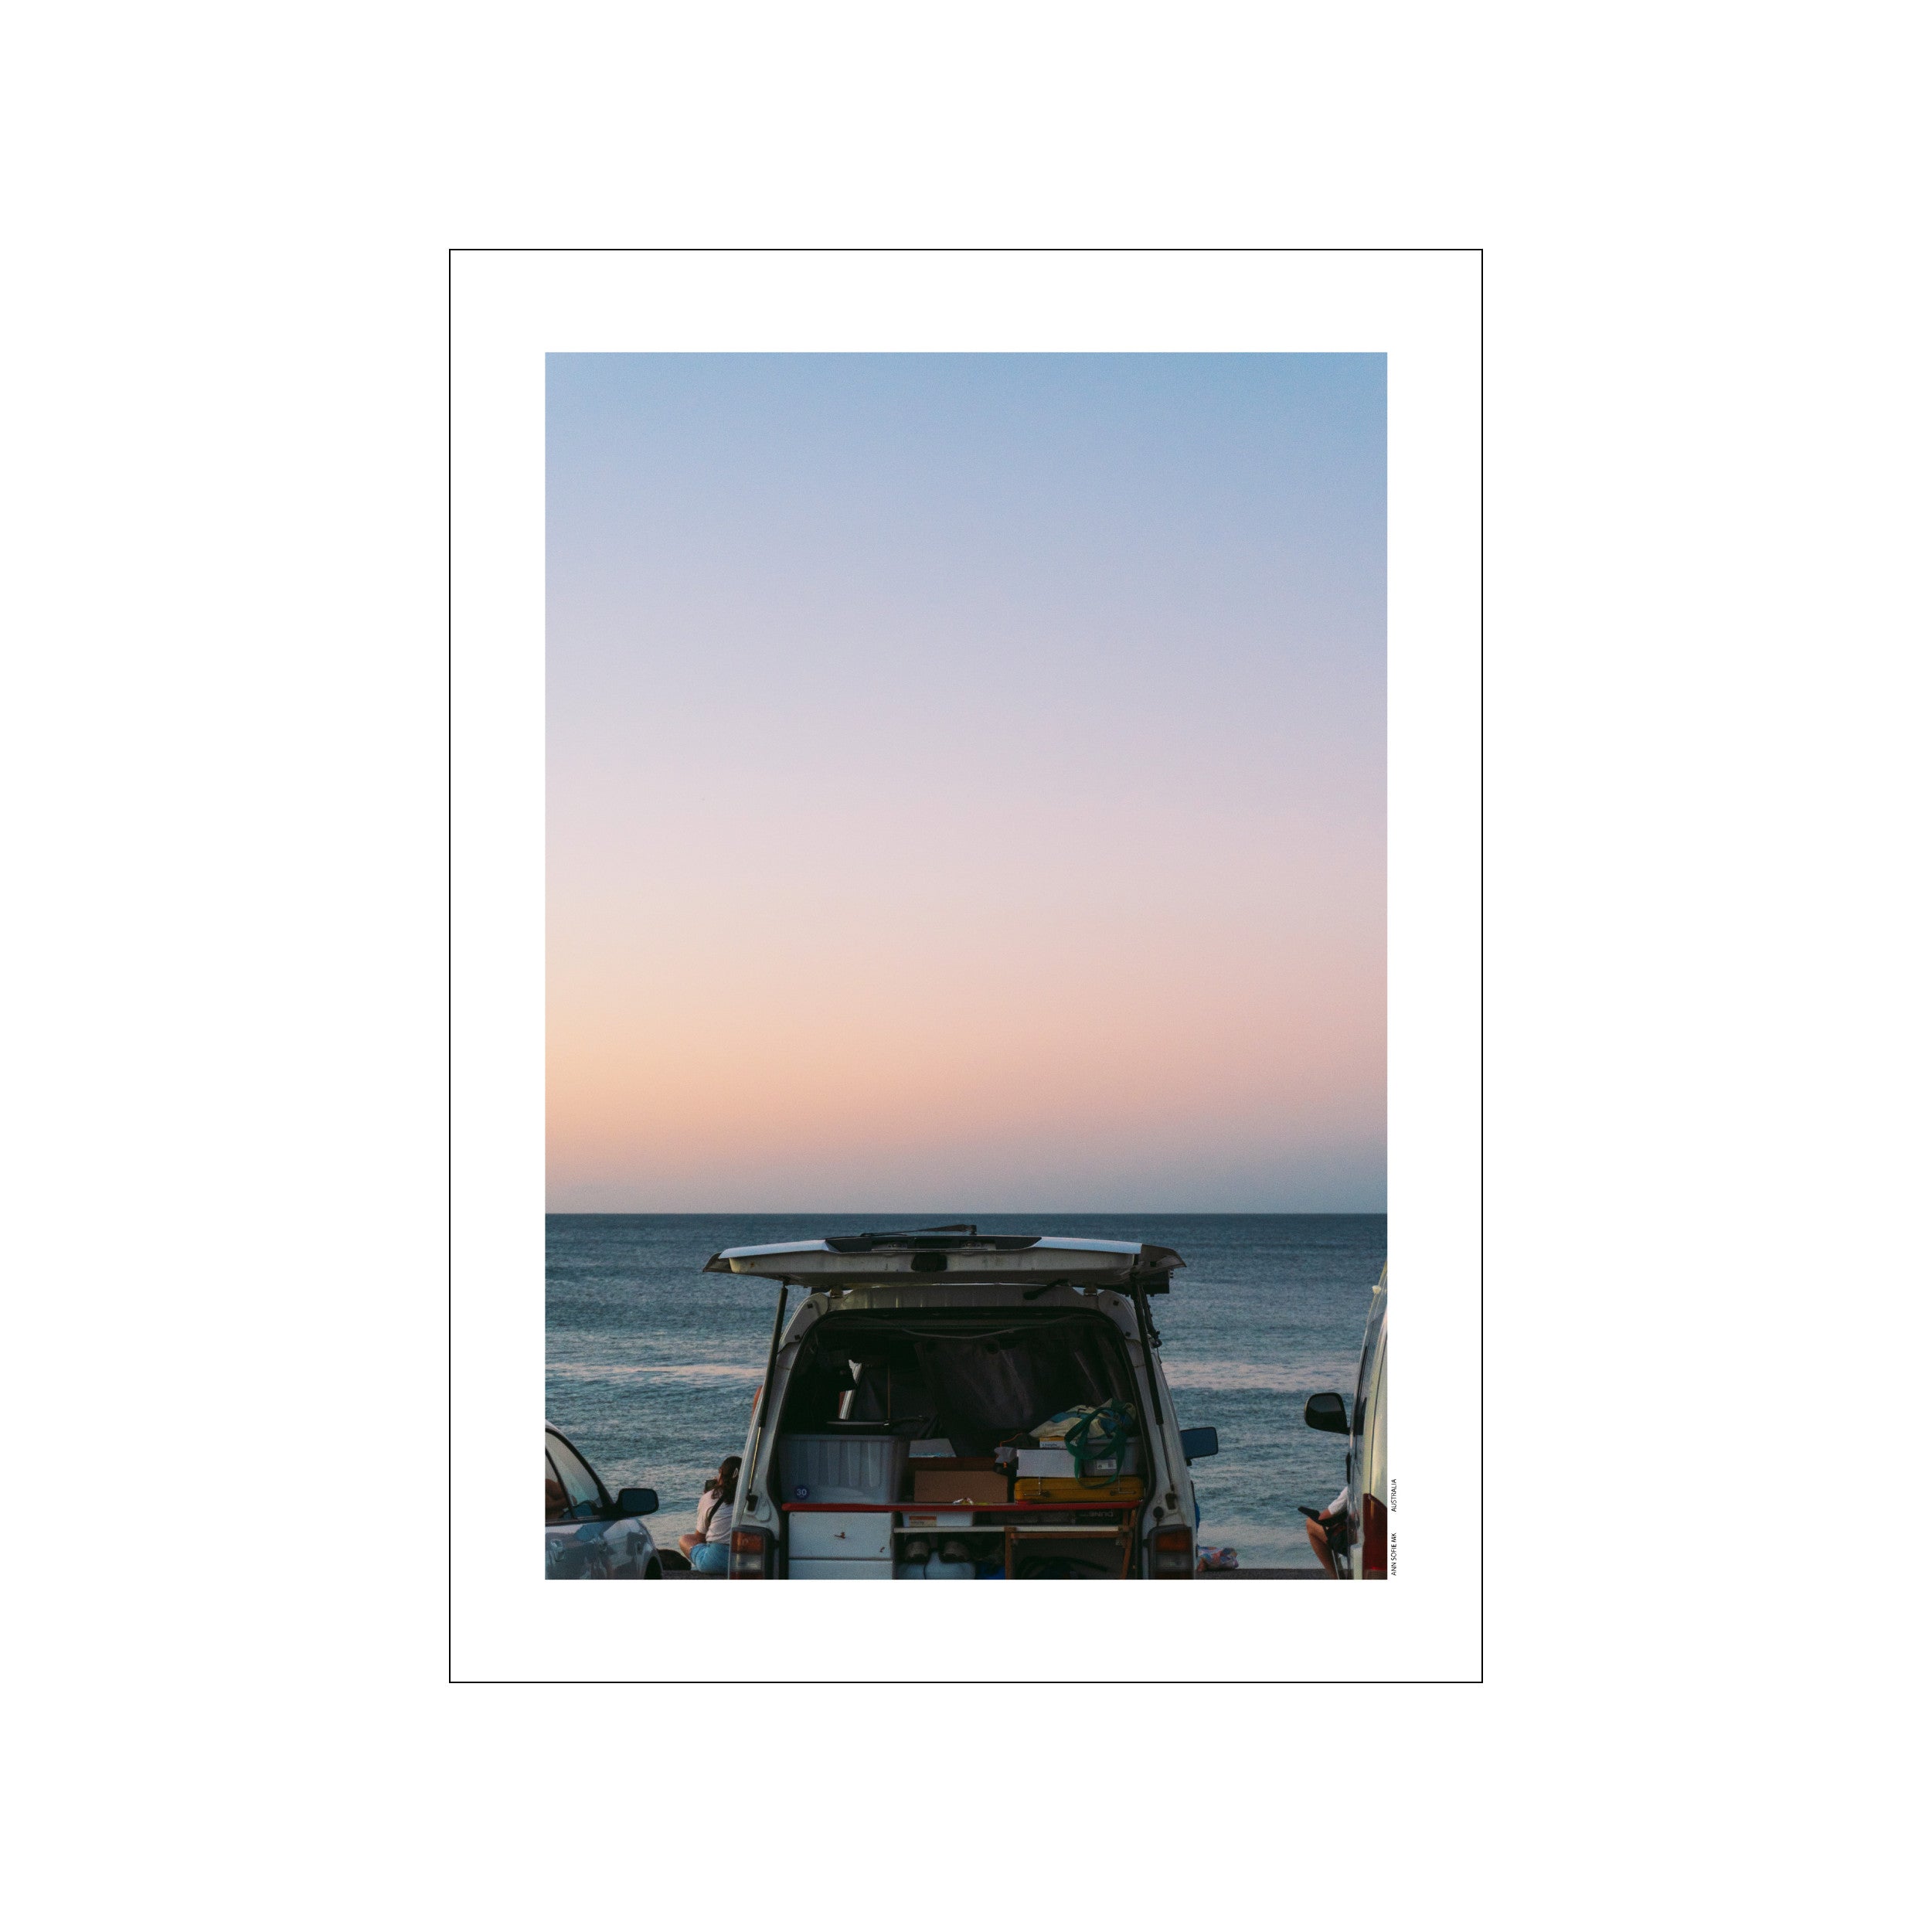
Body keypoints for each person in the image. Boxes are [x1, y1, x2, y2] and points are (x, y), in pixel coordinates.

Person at [680, 1456, 740, 1575]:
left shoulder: (710, 1497)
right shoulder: (753, 1496)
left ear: (721, 1473)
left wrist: (706, 1497)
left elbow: (700, 1537)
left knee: (685, 1539)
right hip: (747, 1560)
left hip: (715, 1563)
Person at [1305, 1485, 1350, 1579]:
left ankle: (1336, 1578)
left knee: (1310, 1523)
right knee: (1336, 1526)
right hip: (1369, 1542)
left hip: (1351, 1544)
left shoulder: (1351, 1490)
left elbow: (1323, 1517)